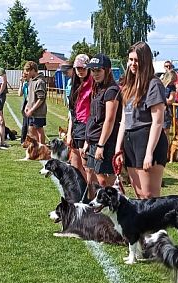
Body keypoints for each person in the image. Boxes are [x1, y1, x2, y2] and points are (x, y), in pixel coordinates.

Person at [115, 42, 168, 199]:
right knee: (139, 195)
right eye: (130, 59)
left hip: (147, 139)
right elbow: (124, 120)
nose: (132, 64)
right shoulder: (128, 86)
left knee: (149, 196)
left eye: (136, 60)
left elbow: (158, 121)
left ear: (145, 61)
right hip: (131, 140)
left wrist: (149, 153)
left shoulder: (154, 84)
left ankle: (156, 224)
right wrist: (118, 148)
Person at [83, 53, 122, 192]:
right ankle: (96, 210)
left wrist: (101, 145)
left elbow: (109, 120)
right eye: (92, 70)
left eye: (98, 70)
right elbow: (93, 116)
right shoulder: (98, 88)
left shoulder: (112, 90)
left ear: (108, 70)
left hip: (106, 141)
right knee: (91, 177)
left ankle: (108, 211)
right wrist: (88, 141)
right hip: (93, 139)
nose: (95, 74)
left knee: (104, 183)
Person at [67, 54, 94, 199]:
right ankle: (82, 196)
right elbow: (71, 111)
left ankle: (92, 196)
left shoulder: (92, 84)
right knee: (75, 165)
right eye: (77, 68)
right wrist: (69, 132)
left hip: (87, 127)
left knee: (87, 167)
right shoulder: (74, 85)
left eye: (83, 68)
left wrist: (88, 138)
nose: (80, 71)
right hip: (76, 126)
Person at [23, 61, 47, 144]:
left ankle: (42, 150)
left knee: (39, 130)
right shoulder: (31, 81)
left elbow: (41, 98)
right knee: (31, 131)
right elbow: (30, 97)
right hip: (31, 112)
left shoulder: (40, 82)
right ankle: (35, 149)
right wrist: (27, 106)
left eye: (28, 71)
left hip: (38, 112)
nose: (26, 73)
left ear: (33, 70)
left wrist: (32, 110)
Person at [161, 68, 178, 138]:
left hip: (167, 111)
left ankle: (166, 148)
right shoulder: (161, 85)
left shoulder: (172, 87)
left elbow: (171, 100)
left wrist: (160, 99)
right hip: (159, 109)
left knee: (165, 132)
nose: (174, 81)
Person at [17, 68, 30, 139]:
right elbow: (20, 94)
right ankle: (23, 139)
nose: (24, 77)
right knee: (25, 123)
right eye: (23, 75)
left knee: (30, 123)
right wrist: (21, 84)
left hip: (31, 103)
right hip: (26, 103)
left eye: (25, 75)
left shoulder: (31, 83)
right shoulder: (25, 84)